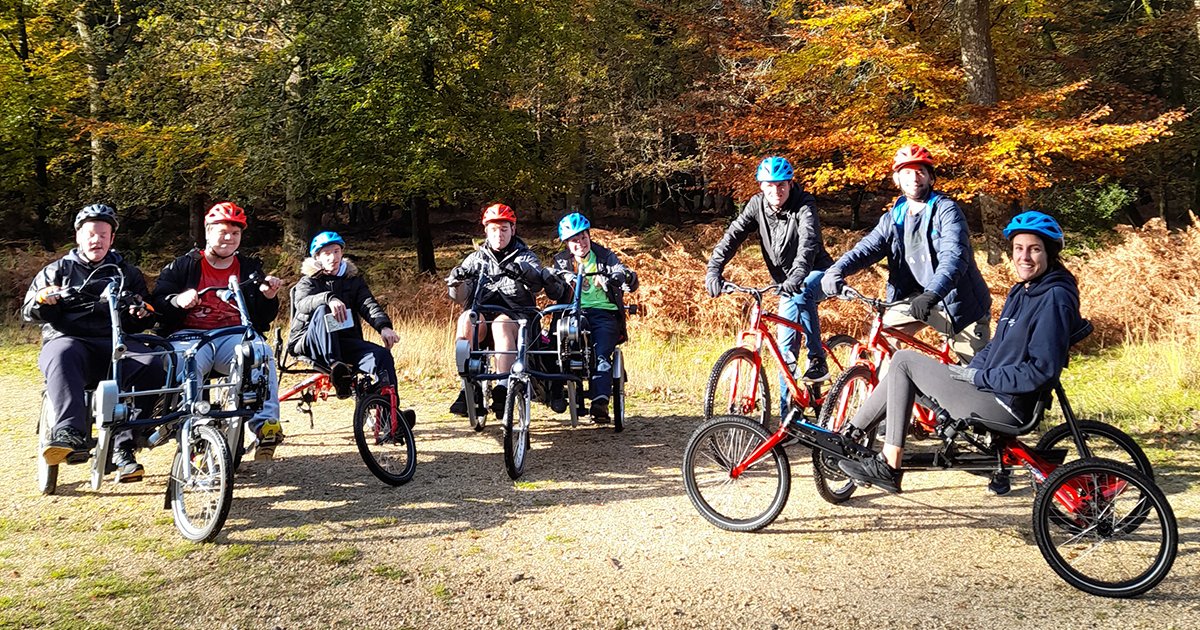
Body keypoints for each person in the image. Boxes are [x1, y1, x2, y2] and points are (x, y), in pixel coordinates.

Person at [837, 211, 1085, 494]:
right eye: (1018, 249)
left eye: (1034, 249)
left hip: (1005, 403)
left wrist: (981, 378)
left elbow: (1041, 370)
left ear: (1050, 253)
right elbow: (997, 346)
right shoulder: (1024, 291)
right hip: (991, 388)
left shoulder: (1055, 298)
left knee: (904, 361)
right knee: (901, 371)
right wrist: (968, 371)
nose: (1024, 257)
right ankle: (849, 438)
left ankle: (888, 464)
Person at [24, 204, 163, 482]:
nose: (96, 240)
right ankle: (69, 433)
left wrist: (140, 313)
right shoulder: (57, 270)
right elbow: (29, 311)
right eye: (90, 234)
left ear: (112, 239)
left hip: (116, 343)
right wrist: (44, 299)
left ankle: (125, 445)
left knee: (153, 362)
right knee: (63, 354)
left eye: (103, 234)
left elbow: (144, 314)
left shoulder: (127, 272)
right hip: (70, 340)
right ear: (78, 236)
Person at [821, 144, 992, 363]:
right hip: (914, 299)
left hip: (957, 304)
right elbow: (867, 249)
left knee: (976, 378)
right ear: (897, 180)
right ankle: (891, 394)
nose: (914, 177)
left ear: (931, 178)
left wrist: (932, 294)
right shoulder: (895, 216)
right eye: (907, 172)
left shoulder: (946, 211)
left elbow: (954, 257)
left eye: (921, 171)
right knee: (883, 342)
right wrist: (836, 270)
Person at [150, 202, 286, 461]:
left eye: (235, 234)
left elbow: (263, 317)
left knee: (259, 352)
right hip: (188, 336)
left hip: (232, 336)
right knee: (188, 365)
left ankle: (265, 425)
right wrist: (178, 301)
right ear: (208, 232)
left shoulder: (249, 269)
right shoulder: (184, 266)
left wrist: (268, 297)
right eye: (223, 232)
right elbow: (158, 302)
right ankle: (192, 429)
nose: (229, 238)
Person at [706, 156, 834, 416]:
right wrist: (714, 269)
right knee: (785, 349)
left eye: (782, 185)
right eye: (770, 185)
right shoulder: (757, 206)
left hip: (817, 273)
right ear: (761, 187)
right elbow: (733, 235)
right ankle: (790, 414)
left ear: (790, 184)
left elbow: (809, 243)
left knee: (804, 291)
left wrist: (797, 277)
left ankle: (817, 358)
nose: (777, 191)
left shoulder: (804, 204)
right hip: (787, 283)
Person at [446, 203, 564, 417]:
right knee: (466, 320)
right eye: (493, 229)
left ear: (513, 230)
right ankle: (467, 387)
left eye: (503, 229)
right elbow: (460, 297)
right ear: (485, 231)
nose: (498, 234)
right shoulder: (475, 259)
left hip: (516, 319)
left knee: (500, 324)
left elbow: (537, 282)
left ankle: (502, 387)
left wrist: (521, 271)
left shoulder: (525, 256)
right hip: (482, 314)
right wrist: (456, 280)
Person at [545, 212, 638, 423]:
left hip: (603, 313)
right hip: (570, 312)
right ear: (567, 244)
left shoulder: (605, 256)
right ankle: (557, 390)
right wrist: (557, 278)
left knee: (601, 353)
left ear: (589, 236)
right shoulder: (561, 262)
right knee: (553, 343)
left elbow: (624, 274)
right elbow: (552, 286)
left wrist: (622, 276)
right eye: (574, 241)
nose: (580, 244)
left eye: (583, 238)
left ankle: (600, 402)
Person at [287, 231, 401, 398]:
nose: (333, 257)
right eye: (327, 253)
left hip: (343, 343)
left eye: (336, 251)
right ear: (317, 257)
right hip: (310, 342)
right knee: (323, 309)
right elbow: (302, 304)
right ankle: (337, 370)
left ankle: (393, 415)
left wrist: (384, 327)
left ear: (342, 253)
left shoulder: (353, 280)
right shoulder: (308, 281)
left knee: (383, 357)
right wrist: (328, 298)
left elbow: (368, 305)